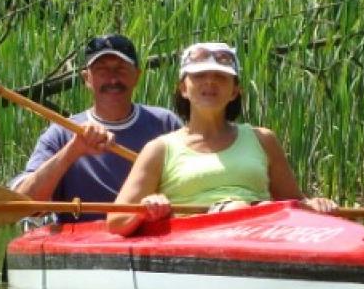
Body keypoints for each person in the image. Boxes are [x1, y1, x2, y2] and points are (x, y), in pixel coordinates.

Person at [107, 41, 337, 236]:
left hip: (264, 229)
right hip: (197, 239)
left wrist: (315, 205)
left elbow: (294, 204)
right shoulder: (159, 149)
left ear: (234, 90)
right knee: (235, 207)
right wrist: (148, 208)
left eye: (221, 77)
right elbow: (116, 220)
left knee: (261, 207)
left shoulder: (263, 139)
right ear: (183, 89)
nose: (210, 82)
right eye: (199, 76)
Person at [11, 34, 181, 220]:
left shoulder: (165, 123)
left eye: (121, 69)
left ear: (136, 76)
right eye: (102, 71)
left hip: (151, 237)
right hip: (81, 244)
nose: (113, 79)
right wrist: (72, 151)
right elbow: (23, 204)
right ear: (87, 78)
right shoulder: (61, 133)